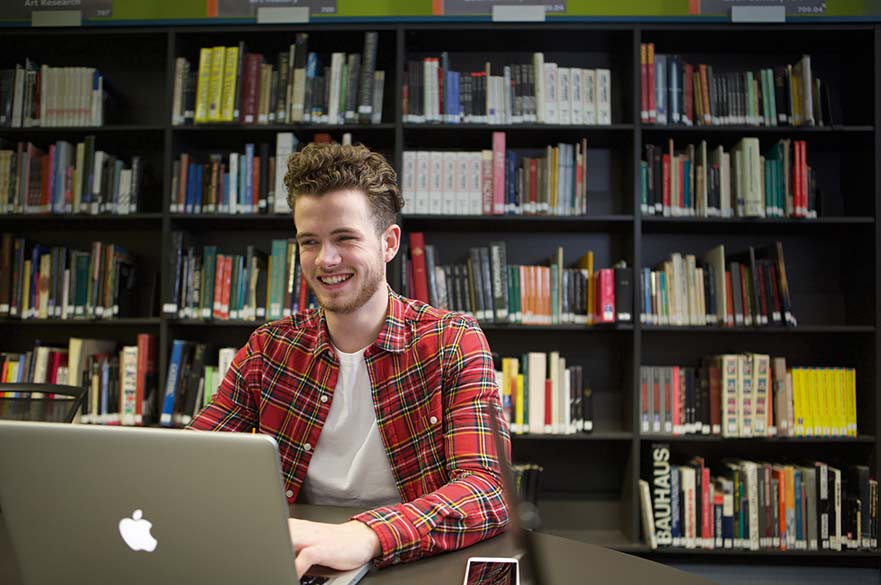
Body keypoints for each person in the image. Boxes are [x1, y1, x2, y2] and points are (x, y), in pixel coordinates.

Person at [188, 142, 511, 578]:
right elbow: (191, 460)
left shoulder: (451, 341)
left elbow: (489, 490)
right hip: (297, 559)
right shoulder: (270, 349)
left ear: (389, 243)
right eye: (310, 242)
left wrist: (365, 536)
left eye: (344, 238)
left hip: (408, 561)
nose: (326, 260)